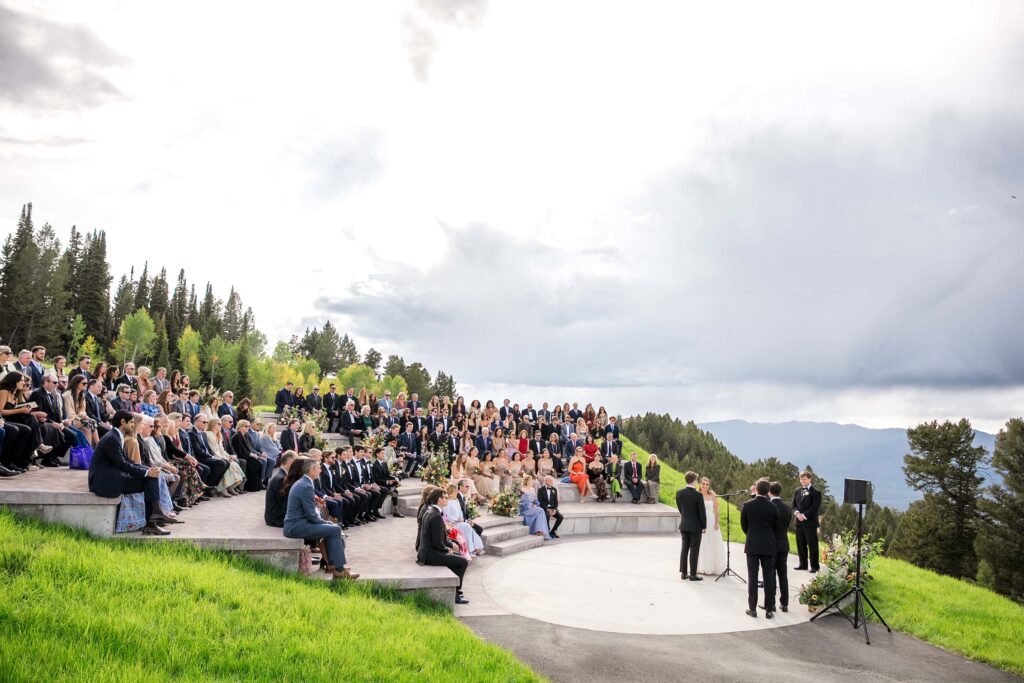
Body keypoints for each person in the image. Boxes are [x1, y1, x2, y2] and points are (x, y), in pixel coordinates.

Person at [88, 410, 174, 535]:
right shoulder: (112, 438)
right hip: (104, 483)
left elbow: (127, 460)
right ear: (123, 422)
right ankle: (154, 517)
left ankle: (154, 517)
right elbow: (122, 464)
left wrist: (147, 470)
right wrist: (146, 473)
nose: (134, 425)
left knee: (151, 478)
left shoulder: (116, 435)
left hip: (112, 477)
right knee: (150, 479)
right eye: (132, 422)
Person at [283, 456, 358, 581]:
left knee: (333, 529)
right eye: (318, 468)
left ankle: (334, 566)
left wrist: (327, 523)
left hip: (298, 523)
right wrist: (327, 522)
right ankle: (339, 570)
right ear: (312, 470)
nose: (320, 470)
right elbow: (311, 515)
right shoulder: (306, 485)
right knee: (334, 529)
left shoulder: (304, 482)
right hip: (295, 526)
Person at [417, 487, 469, 604]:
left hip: (428, 551)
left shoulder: (431, 511)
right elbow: (437, 542)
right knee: (463, 562)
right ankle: (456, 593)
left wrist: (450, 545)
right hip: (430, 555)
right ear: (439, 499)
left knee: (458, 557)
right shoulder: (435, 515)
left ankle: (456, 589)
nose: (447, 499)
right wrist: (446, 549)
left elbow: (439, 538)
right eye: (445, 497)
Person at [741, 479, 782, 618]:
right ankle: (769, 610)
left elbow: (744, 525)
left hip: (752, 544)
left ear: (756, 489)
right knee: (769, 578)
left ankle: (752, 609)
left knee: (752, 577)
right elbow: (777, 527)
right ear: (768, 491)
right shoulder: (773, 507)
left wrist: (751, 535)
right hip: (769, 544)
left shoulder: (747, 505)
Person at [767, 481, 793, 613]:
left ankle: (771, 604)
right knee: (783, 575)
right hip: (783, 543)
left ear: (769, 492)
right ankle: (784, 603)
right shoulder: (788, 508)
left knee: (770, 574)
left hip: (771, 544)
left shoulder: (769, 506)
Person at [676, 471, 707, 581]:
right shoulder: (698, 495)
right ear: (694, 481)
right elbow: (702, 512)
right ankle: (693, 574)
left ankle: (684, 573)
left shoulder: (679, 493)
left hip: (684, 525)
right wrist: (704, 526)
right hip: (695, 526)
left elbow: (680, 509)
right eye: (697, 480)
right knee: (694, 550)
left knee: (684, 549)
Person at [696, 477, 727, 576]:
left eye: (707, 484)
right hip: (700, 522)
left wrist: (716, 523)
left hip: (711, 521)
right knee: (702, 543)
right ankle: (701, 567)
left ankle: (712, 567)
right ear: (700, 484)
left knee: (712, 543)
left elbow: (716, 510)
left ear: (709, 485)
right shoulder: (697, 494)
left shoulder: (712, 495)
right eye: (703, 483)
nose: (705, 486)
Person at [792, 471, 822, 573]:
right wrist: (797, 513)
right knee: (801, 544)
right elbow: (793, 504)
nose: (802, 481)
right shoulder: (797, 491)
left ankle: (815, 566)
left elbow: (814, 507)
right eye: (801, 479)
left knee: (812, 545)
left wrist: (804, 516)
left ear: (810, 479)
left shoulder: (816, 492)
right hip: (798, 522)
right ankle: (803, 564)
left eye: (804, 479)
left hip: (810, 523)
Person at [443, 483, 484, 556]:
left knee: (467, 526)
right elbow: (447, 515)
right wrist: (457, 520)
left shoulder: (456, 501)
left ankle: (475, 547)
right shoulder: (448, 502)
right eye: (455, 491)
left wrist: (461, 518)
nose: (457, 492)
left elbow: (460, 511)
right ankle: (473, 549)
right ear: (451, 492)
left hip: (460, 522)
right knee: (466, 526)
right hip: (453, 523)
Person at [265, 450, 297, 527]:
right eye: (296, 462)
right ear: (289, 462)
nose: (297, 465)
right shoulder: (281, 478)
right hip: (277, 518)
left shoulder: (281, 475)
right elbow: (284, 506)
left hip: (275, 515)